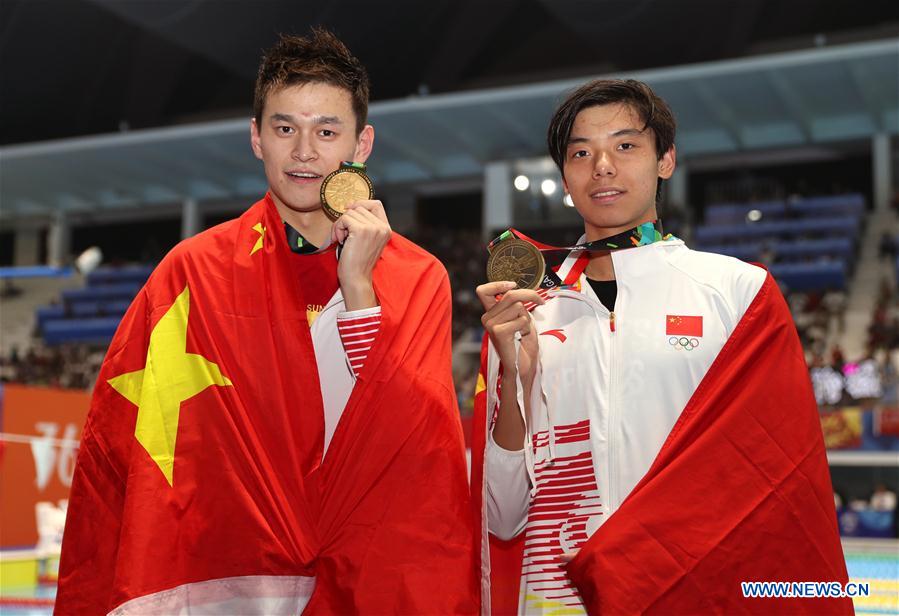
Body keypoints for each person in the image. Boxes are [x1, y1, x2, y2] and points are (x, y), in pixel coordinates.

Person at [55, 29, 477, 615]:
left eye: (326, 131)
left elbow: (416, 451)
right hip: (233, 579)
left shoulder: (418, 276)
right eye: (285, 128)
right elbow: (114, 455)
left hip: (368, 575)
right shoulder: (193, 272)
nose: (304, 151)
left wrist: (359, 290)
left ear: (362, 143)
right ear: (257, 138)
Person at [470, 79, 850, 614]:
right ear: (565, 177)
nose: (602, 165)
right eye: (581, 152)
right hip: (557, 599)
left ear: (666, 160)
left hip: (686, 593)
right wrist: (515, 378)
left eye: (626, 146)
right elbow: (502, 516)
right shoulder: (524, 312)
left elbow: (779, 480)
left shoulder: (736, 294)